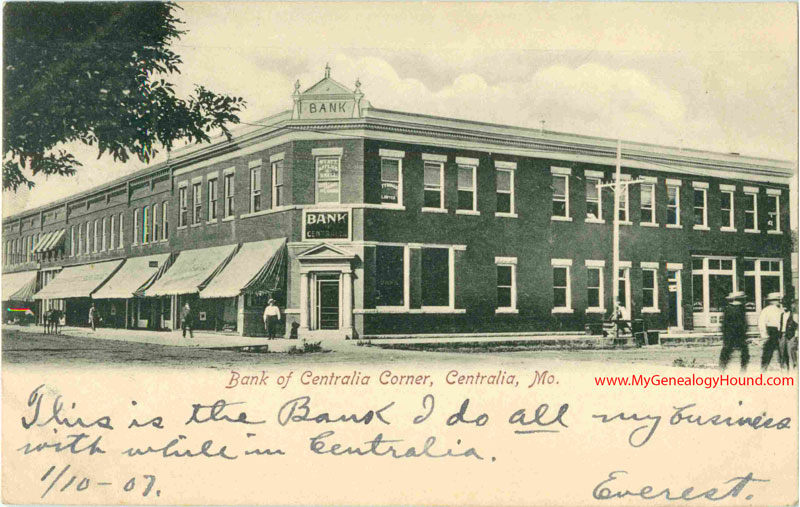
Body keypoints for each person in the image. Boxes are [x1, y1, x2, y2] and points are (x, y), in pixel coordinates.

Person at [719, 291, 749, 371]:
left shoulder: (728, 308)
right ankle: (743, 369)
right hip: (739, 333)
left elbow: (724, 323)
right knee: (744, 352)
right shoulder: (741, 309)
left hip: (729, 334)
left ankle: (722, 367)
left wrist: (724, 333)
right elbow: (743, 322)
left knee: (726, 351)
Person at [758, 292, 784, 371]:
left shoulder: (781, 309)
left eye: (779, 300)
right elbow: (761, 322)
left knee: (782, 350)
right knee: (768, 351)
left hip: (780, 331)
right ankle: (764, 368)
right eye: (776, 300)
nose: (778, 302)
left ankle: (782, 366)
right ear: (771, 301)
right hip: (771, 331)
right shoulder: (766, 310)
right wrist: (764, 334)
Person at [778, 295, 796, 371]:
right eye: (783, 304)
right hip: (782, 335)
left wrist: (795, 336)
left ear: (789, 305)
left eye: (786, 304)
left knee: (790, 351)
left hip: (791, 335)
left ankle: (794, 367)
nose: (784, 306)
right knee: (782, 351)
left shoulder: (794, 315)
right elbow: (781, 325)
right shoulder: (782, 315)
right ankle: (784, 368)